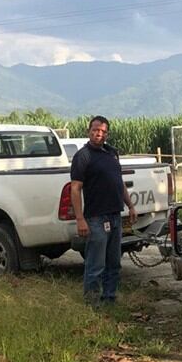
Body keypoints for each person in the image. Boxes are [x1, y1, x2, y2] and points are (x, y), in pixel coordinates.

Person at [70, 115, 137, 305]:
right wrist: (80, 219)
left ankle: (110, 298)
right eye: (95, 130)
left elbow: (119, 183)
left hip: (115, 215)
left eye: (102, 131)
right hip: (96, 218)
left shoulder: (111, 153)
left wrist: (130, 206)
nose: (98, 134)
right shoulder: (83, 156)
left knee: (114, 263)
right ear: (88, 131)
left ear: (106, 134)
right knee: (96, 265)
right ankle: (92, 303)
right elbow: (75, 188)